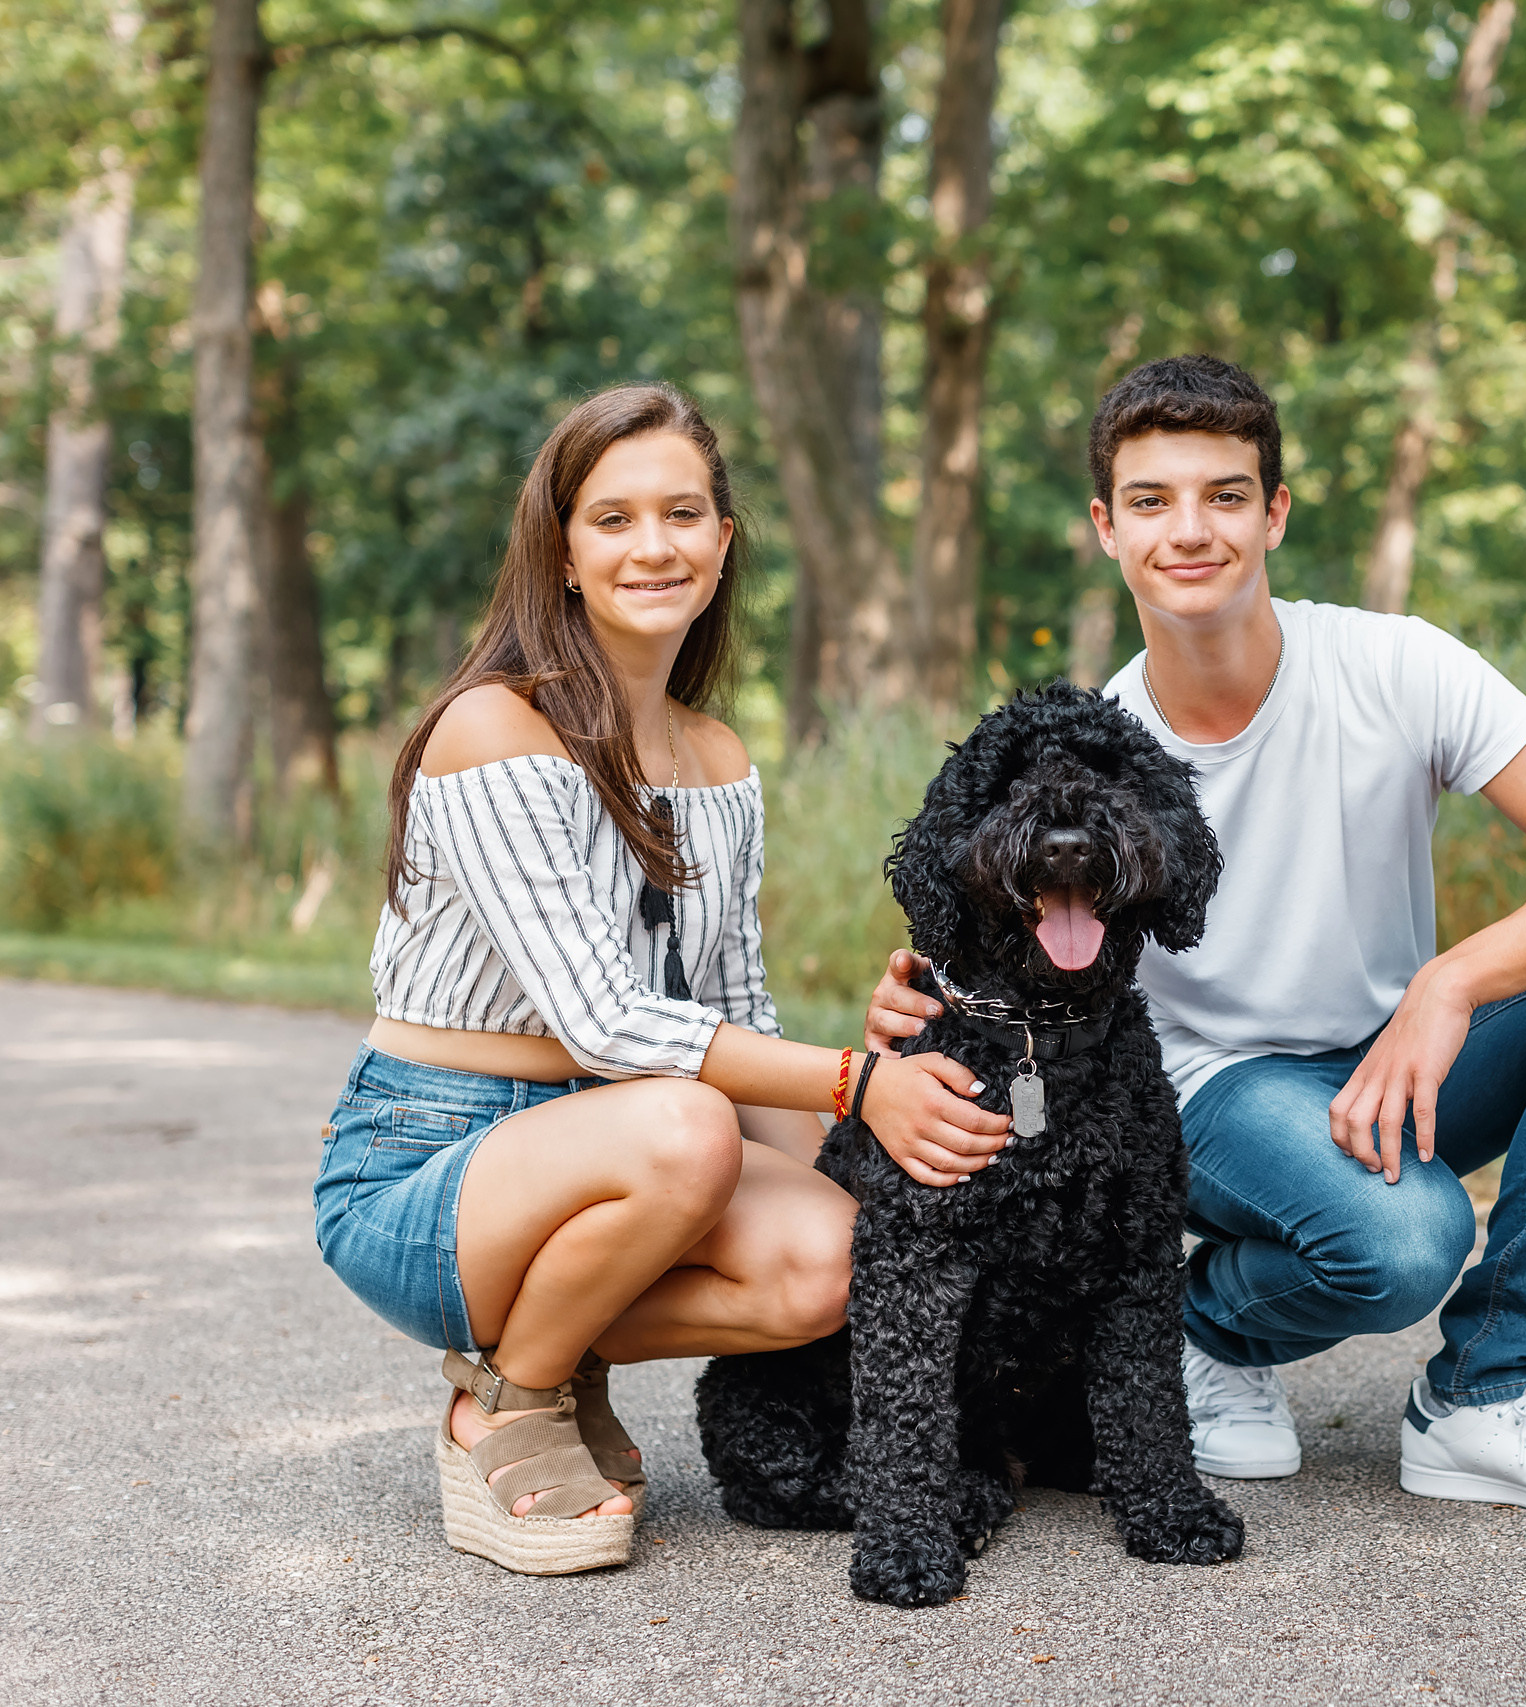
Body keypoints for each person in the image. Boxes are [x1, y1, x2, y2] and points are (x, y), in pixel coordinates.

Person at [870, 356, 1526, 1524]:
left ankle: (1490, 1386)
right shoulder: (1091, 755)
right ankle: (1195, 1329)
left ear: (1273, 513)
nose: (1191, 531)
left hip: (1395, 1059)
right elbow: (980, 922)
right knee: (1401, 1243)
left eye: (1225, 495)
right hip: (1207, 1095)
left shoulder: (1394, 664)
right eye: (1153, 502)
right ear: (1106, 530)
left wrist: (1452, 980)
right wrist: (912, 998)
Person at [315, 383, 1014, 1576]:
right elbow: (608, 1019)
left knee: (836, 1259)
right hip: (428, 1168)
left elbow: (737, 1011)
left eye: (682, 513)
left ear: (724, 539)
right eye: (613, 519)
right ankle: (511, 1400)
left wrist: (836, 1171)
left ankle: (553, 1339)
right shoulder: (493, 726)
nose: (654, 547)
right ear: (563, 550)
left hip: (621, 1142)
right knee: (685, 1126)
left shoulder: (718, 760)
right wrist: (862, 1082)